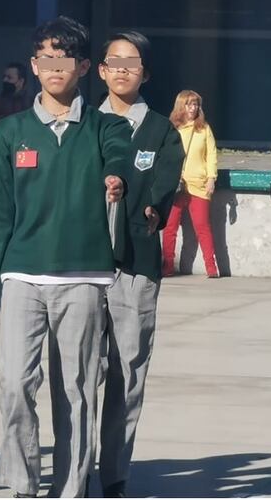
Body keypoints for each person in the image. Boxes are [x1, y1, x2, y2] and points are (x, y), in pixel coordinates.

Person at [0, 16, 130, 498]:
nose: (53, 67)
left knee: (77, 393)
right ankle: (24, 484)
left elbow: (119, 159)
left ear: (84, 66)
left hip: (83, 277)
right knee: (14, 384)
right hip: (21, 276)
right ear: (33, 65)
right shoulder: (9, 131)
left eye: (64, 58)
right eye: (45, 58)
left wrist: (116, 180)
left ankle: (71, 488)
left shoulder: (106, 127)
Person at [95, 31, 185, 498]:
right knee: (79, 371)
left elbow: (164, 182)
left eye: (134, 63)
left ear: (145, 73)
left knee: (127, 370)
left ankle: (113, 472)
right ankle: (72, 465)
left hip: (136, 266)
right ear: (101, 70)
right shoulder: (84, 124)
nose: (124, 69)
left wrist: (152, 206)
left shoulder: (161, 131)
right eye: (116, 61)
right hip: (83, 267)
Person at [162, 90, 220, 279]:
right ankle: (168, 266)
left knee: (202, 226)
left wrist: (211, 178)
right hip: (176, 184)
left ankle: (212, 267)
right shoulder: (172, 128)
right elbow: (164, 155)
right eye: (189, 104)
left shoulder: (204, 129)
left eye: (196, 104)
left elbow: (211, 154)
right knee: (170, 227)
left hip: (199, 183)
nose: (193, 108)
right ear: (181, 106)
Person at [0, 62, 33, 133]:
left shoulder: (32, 103)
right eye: (4, 77)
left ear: (21, 81)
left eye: (9, 77)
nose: (5, 80)